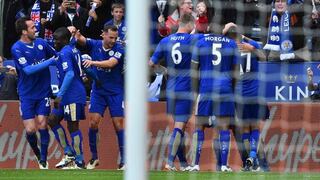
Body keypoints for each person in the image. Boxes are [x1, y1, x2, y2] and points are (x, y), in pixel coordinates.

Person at [74, 25, 126, 170]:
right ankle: (94, 157)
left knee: (119, 125)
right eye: (111, 37)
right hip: (98, 91)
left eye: (115, 38)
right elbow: (82, 40)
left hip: (116, 92)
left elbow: (111, 63)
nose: (113, 40)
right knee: (93, 123)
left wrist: (92, 63)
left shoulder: (119, 49)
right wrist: (76, 33)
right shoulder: (95, 44)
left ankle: (124, 161)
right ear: (103, 35)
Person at [149, 14, 196, 171]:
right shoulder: (192, 40)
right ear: (189, 24)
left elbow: (151, 64)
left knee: (180, 126)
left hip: (171, 88)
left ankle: (183, 164)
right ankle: (169, 162)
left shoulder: (165, 40)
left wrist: (164, 70)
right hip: (186, 88)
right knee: (180, 125)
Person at [190, 23, 239, 172]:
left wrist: (195, 92)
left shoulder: (200, 42)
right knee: (224, 127)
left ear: (208, 29)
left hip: (206, 88)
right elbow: (236, 72)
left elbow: (193, 71)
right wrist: (232, 89)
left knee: (200, 126)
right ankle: (224, 165)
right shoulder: (231, 44)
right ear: (223, 31)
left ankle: (196, 165)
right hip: (225, 88)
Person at [11, 17, 57, 169]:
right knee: (30, 129)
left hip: (43, 91)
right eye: (32, 27)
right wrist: (50, 62)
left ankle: (44, 161)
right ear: (24, 31)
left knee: (43, 124)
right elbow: (29, 70)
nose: (36, 29)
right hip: (26, 93)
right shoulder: (16, 48)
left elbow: (56, 56)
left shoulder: (42, 43)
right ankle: (38, 154)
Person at [223, 22, 270, 171]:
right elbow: (264, 56)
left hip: (239, 93)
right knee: (255, 127)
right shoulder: (250, 46)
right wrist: (251, 45)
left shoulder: (229, 49)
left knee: (244, 130)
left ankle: (252, 164)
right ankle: (253, 156)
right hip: (255, 91)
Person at [47, 27, 88, 169]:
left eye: (57, 41)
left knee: (72, 126)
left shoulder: (65, 52)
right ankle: (69, 153)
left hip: (72, 95)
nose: (55, 43)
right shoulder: (72, 49)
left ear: (64, 40)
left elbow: (70, 74)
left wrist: (59, 95)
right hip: (68, 95)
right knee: (52, 120)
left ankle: (79, 161)